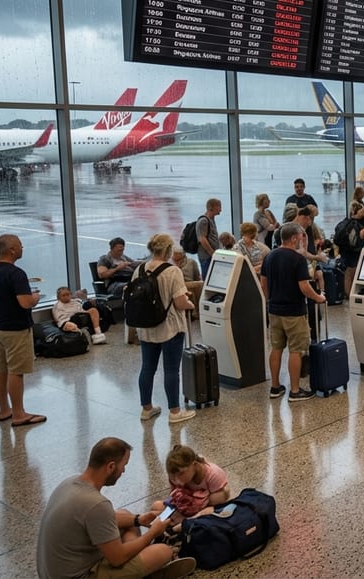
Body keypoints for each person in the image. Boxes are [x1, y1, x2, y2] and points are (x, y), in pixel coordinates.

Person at [36, 437, 195, 579]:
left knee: (127, 517)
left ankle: (142, 567)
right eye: (123, 466)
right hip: (81, 574)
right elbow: (117, 558)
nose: (123, 471)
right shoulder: (96, 504)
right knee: (163, 552)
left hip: (57, 571)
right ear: (111, 467)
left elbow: (98, 519)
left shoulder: (70, 483)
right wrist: (153, 532)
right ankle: (150, 572)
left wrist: (138, 519)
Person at [0, 234, 45, 427]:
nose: (22, 248)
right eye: (20, 245)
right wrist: (36, 297)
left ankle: (4, 409)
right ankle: (19, 413)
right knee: (16, 371)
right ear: (11, 250)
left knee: (1, 368)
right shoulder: (16, 273)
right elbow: (25, 302)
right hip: (15, 329)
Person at [136, 233, 197, 424]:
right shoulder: (172, 271)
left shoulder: (140, 269)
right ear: (168, 250)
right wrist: (190, 304)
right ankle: (175, 412)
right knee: (171, 370)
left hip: (146, 326)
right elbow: (179, 302)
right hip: (169, 326)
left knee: (147, 368)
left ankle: (146, 408)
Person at [261, 222, 325, 402]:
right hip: (294, 312)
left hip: (274, 310)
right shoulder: (297, 259)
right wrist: (318, 297)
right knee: (296, 350)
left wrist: (270, 300)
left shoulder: (269, 256)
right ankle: (295, 391)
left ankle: (275, 387)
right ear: (294, 238)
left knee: (276, 348)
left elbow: (263, 284)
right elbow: (304, 286)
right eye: (301, 237)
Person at [148, 444, 230, 523]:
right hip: (185, 508)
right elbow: (174, 498)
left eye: (181, 473)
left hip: (206, 508)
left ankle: (184, 524)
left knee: (222, 495)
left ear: (194, 464)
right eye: (173, 475)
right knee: (156, 506)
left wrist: (190, 517)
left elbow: (217, 503)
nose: (177, 479)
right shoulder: (175, 478)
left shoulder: (213, 474)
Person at [334, 201, 364, 298]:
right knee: (351, 272)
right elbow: (356, 243)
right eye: (362, 212)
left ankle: (348, 294)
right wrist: (361, 235)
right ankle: (350, 294)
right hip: (353, 252)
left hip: (345, 252)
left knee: (348, 272)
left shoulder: (344, 223)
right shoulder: (357, 225)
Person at [195, 198, 222, 279]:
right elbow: (202, 238)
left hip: (211, 256)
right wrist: (211, 252)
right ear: (211, 207)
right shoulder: (204, 221)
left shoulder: (211, 220)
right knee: (208, 278)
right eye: (218, 206)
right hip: (206, 257)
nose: (220, 209)